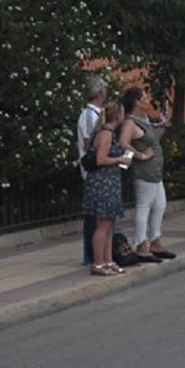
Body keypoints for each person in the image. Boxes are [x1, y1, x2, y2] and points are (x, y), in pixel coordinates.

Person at [119, 87, 175, 264]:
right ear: (136, 102)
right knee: (144, 207)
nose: (147, 100)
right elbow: (123, 144)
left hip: (154, 171)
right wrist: (140, 155)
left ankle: (156, 241)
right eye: (144, 97)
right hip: (144, 172)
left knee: (160, 205)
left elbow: (153, 140)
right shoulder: (130, 123)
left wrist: (163, 125)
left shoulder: (144, 120)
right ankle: (141, 245)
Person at [83, 102, 132, 275]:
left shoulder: (109, 133)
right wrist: (119, 159)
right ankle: (97, 263)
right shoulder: (105, 135)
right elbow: (100, 159)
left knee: (109, 223)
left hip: (110, 183)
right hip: (103, 184)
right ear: (117, 115)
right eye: (123, 113)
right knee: (103, 225)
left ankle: (108, 260)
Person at [76, 75, 106, 266]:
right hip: (92, 171)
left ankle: (98, 252)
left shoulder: (98, 114)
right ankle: (90, 254)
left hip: (99, 170)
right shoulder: (89, 115)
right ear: (100, 92)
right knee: (92, 216)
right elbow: (89, 144)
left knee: (99, 215)